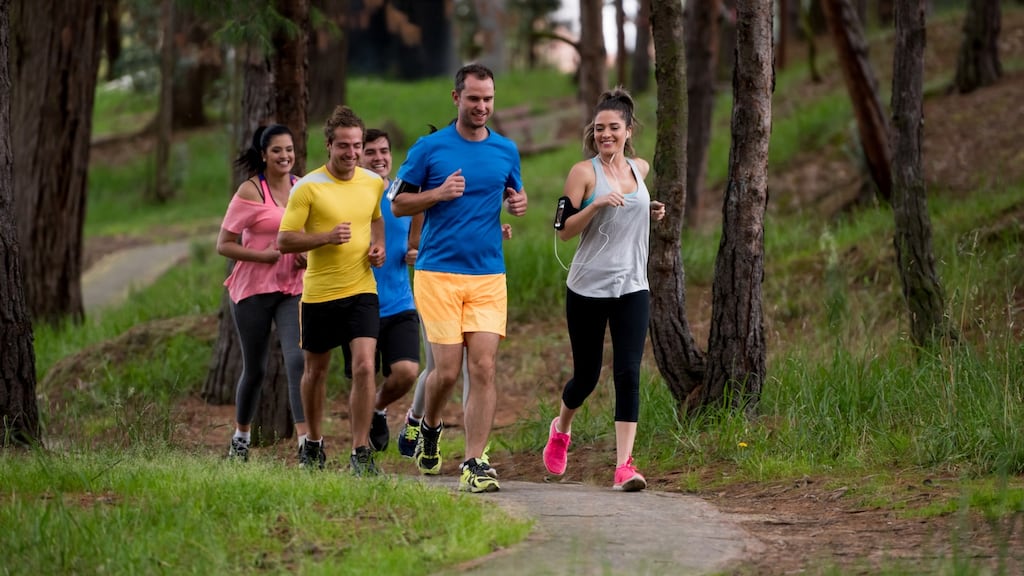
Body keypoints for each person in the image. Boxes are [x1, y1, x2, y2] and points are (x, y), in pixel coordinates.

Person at [390, 63, 528, 493]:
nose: (482, 106)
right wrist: (437, 193)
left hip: (488, 274)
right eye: (473, 99)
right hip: (437, 273)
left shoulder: (506, 149)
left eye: (488, 99)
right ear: (456, 99)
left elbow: (510, 192)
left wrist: (517, 203)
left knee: (483, 367)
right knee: (446, 372)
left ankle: (474, 462)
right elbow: (397, 204)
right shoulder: (430, 148)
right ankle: (429, 426)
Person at [542, 87, 666, 492]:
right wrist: (594, 206)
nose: (605, 134)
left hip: (632, 285)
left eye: (614, 128)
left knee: (628, 372)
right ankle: (561, 429)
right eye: (599, 129)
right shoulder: (583, 173)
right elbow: (561, 230)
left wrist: (650, 208)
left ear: (629, 131)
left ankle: (624, 466)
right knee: (587, 376)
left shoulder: (639, 169)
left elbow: (632, 205)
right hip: (588, 288)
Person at [277, 105, 386, 475]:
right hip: (321, 293)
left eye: (357, 145)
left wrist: (378, 248)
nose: (352, 153)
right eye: (344, 146)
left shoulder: (372, 182)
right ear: (328, 145)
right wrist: (325, 237)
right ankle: (313, 444)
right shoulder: (307, 187)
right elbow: (284, 240)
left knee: (365, 366)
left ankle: (360, 451)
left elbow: (376, 219)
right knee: (316, 372)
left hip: (361, 289)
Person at [217, 124, 308, 463]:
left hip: (292, 288)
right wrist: (262, 255)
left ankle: (306, 445)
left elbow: (308, 235)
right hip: (252, 290)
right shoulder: (251, 191)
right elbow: (223, 245)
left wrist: (305, 256)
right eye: (277, 151)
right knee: (254, 368)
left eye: (289, 149)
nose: (285, 156)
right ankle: (240, 439)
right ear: (263, 155)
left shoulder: (303, 187)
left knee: (298, 361)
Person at [339, 128, 421, 453]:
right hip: (359, 303)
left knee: (406, 372)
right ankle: (360, 453)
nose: (379, 158)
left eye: (384, 151)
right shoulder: (349, 197)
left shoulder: (403, 197)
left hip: (400, 301)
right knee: (362, 376)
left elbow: (416, 245)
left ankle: (376, 407)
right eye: (370, 152)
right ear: (358, 157)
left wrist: (416, 254)